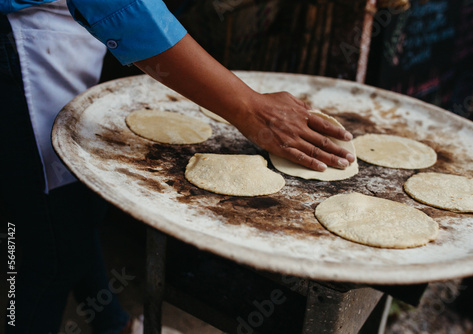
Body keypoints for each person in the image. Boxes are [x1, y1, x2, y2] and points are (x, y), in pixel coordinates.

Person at [1, 0, 355, 333]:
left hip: (59, 33)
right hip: (19, 39)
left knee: (73, 206)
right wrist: (249, 108)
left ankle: (113, 324)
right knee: (48, 246)